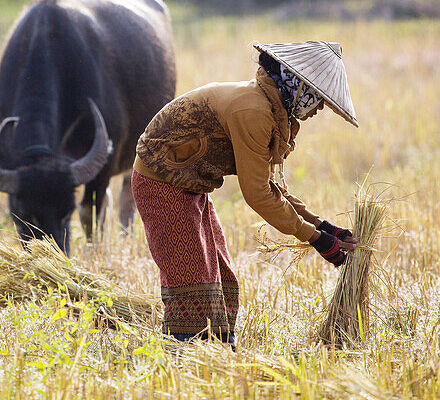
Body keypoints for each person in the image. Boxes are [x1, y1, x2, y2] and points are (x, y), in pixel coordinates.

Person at [132, 41, 360, 346]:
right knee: (193, 281)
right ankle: (184, 363)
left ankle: (219, 354)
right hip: (162, 182)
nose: (319, 110)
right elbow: (258, 195)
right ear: (299, 88)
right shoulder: (253, 111)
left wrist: (322, 227)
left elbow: (271, 187)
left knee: (222, 278)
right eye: (318, 100)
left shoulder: (269, 109)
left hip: (191, 185)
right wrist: (315, 239)